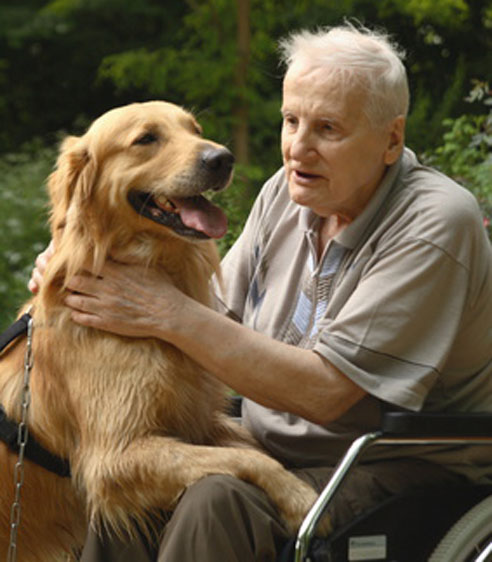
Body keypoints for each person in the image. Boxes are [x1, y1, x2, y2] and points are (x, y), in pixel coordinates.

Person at [30, 23, 492, 562]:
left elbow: (326, 393)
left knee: (215, 499)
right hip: (273, 448)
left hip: (398, 464)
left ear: (392, 139)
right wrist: (84, 270)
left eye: (328, 129)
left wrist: (164, 309)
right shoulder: (288, 193)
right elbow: (214, 317)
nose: (298, 147)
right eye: (291, 121)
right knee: (127, 497)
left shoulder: (434, 222)